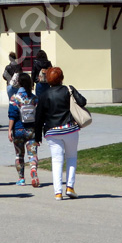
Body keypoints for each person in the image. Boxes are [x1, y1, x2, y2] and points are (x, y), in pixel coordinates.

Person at [34, 66, 86, 200]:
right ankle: (70, 187)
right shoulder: (68, 90)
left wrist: (37, 136)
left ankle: (58, 192)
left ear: (48, 80)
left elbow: (38, 117)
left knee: (56, 160)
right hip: (70, 129)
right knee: (71, 157)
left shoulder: (44, 95)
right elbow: (83, 102)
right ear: (62, 78)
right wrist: (73, 90)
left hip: (52, 131)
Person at [8, 73, 39, 187]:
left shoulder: (15, 98)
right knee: (32, 153)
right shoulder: (34, 98)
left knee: (19, 155)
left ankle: (21, 179)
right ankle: (34, 171)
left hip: (18, 130)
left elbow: (12, 115)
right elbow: (38, 115)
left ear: (19, 83)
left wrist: (9, 130)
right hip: (31, 130)